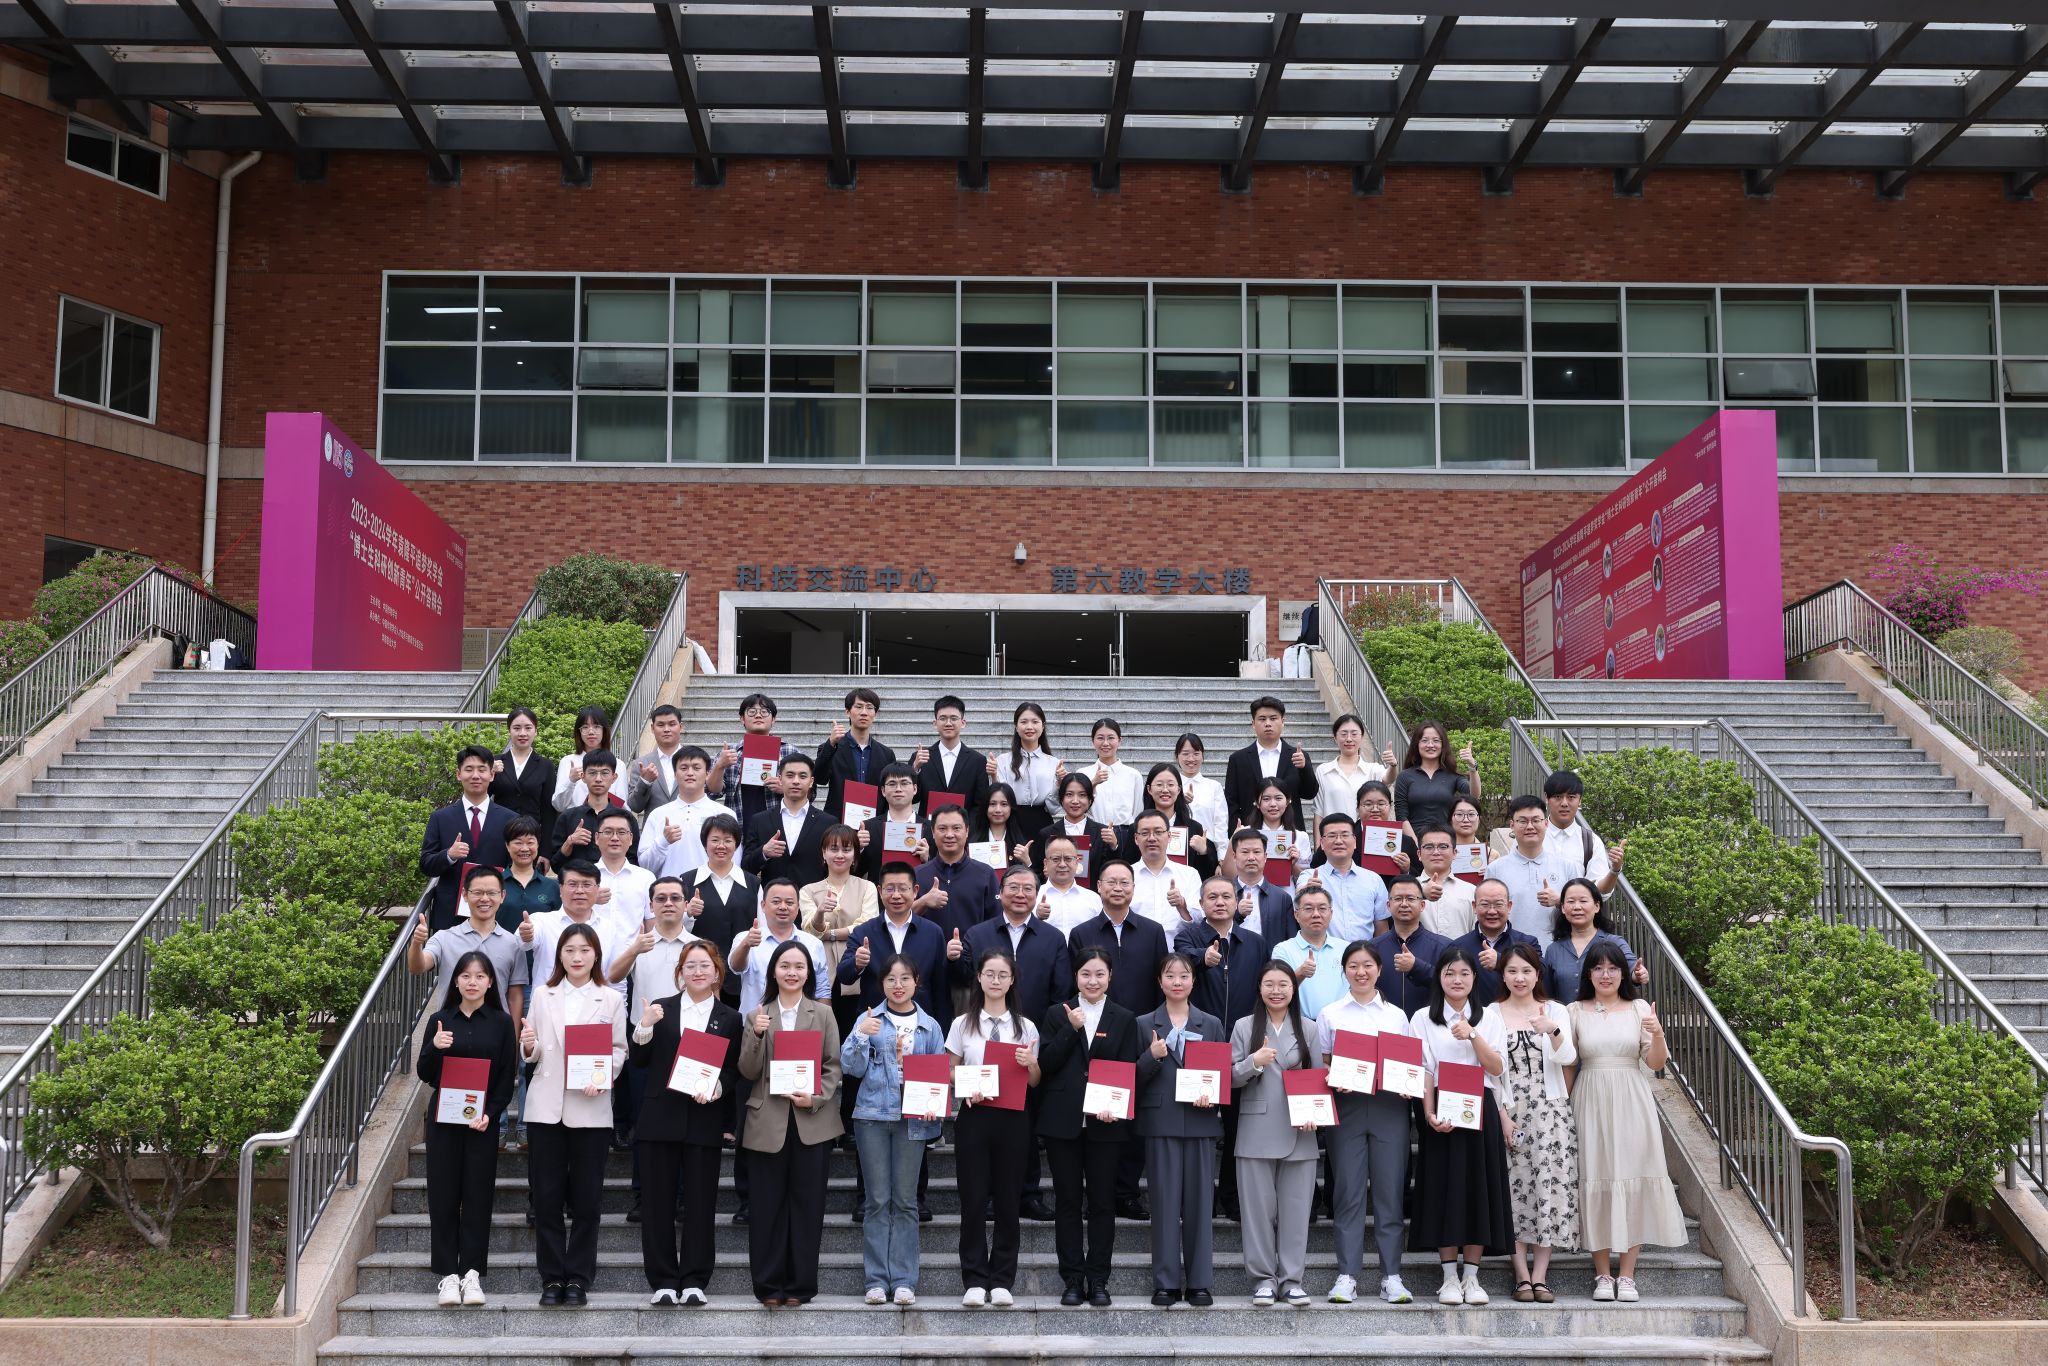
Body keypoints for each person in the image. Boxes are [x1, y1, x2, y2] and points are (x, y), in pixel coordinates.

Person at [1571, 941, 1686, 1303]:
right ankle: (1602, 1274)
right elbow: (1568, 1064)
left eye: (1613, 968)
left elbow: (1655, 1063)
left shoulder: (1638, 1008)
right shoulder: (1574, 1011)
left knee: (1632, 1176)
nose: (1605, 975)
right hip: (1589, 1097)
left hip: (1631, 1098)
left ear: (1624, 974)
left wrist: (1657, 1032)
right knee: (1596, 1176)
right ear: (1588, 974)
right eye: (1598, 968)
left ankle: (1627, 1274)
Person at [628, 939, 741, 1306]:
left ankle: (694, 1279)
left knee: (701, 1203)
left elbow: (732, 1070)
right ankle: (662, 1279)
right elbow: (639, 1061)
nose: (697, 971)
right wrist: (644, 1026)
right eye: (690, 965)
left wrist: (717, 1088)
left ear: (717, 973)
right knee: (657, 1204)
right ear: (680, 973)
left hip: (704, 1118)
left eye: (704, 965)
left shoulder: (730, 1017)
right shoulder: (661, 1009)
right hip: (659, 1117)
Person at [519, 923, 627, 1307]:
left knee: (586, 1200)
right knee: (547, 1199)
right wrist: (528, 1046)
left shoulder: (610, 998)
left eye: (584, 950)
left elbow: (619, 1050)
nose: (577, 957)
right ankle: (552, 1277)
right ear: (559, 955)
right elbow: (533, 1052)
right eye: (569, 950)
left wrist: (604, 1075)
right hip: (546, 1107)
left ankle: (579, 1278)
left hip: (590, 1108)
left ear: (596, 955)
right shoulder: (542, 994)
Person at [737, 939, 844, 1306]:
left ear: (808, 973)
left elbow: (833, 1066)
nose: (792, 972)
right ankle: (768, 1285)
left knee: (807, 1206)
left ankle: (800, 1285)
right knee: (766, 1207)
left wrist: (815, 1097)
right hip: (767, 1121)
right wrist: (756, 1034)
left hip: (812, 1121)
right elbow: (748, 1070)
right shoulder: (758, 1015)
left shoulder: (823, 1014)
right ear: (773, 973)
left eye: (799, 967)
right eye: (785, 966)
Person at [1037, 946, 1143, 1307]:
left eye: (1099, 974)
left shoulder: (1125, 1017)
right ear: (1076, 976)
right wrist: (1070, 1029)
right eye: (1085, 974)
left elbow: (1127, 1068)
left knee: (1102, 1203)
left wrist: (1117, 1105)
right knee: (1067, 1201)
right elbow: (1046, 1064)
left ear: (1110, 977)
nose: (1092, 981)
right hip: (1062, 1121)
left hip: (1106, 1123)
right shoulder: (1058, 1013)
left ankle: (1098, 1279)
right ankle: (1071, 1278)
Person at [841, 953, 947, 1305]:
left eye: (904, 978)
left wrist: (934, 1107)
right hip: (872, 1116)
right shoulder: (869, 1018)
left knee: (905, 1201)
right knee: (876, 1201)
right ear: (881, 983)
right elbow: (850, 1067)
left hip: (912, 1120)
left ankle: (903, 1280)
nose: (897, 985)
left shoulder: (930, 1026)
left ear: (917, 981)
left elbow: (937, 1075)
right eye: (890, 979)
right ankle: (875, 1280)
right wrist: (860, 1035)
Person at [1409, 947, 1512, 1307]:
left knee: (1477, 1190)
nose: (1457, 980)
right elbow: (1423, 1069)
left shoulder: (1490, 1017)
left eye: (1464, 973)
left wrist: (1472, 1035)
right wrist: (1428, 1114)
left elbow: (1497, 1068)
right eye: (1450, 973)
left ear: (1474, 978)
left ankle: (1472, 1276)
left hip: (1480, 1107)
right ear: (1439, 977)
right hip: (1442, 1109)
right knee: (1444, 1190)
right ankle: (1449, 1277)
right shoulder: (1423, 1017)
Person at [1315, 941, 1416, 1306]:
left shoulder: (1396, 1015)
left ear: (1379, 970)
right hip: (1348, 1106)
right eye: (1353, 966)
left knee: (1390, 1192)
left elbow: (1407, 1062)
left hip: (1390, 1106)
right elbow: (1323, 1061)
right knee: (1348, 1191)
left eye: (1367, 965)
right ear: (1344, 971)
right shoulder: (1330, 1014)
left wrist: (1408, 1083)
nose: (1361, 972)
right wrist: (1332, 1076)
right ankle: (1347, 1275)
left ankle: (1392, 1276)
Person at [418, 950, 519, 1308]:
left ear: (490, 982)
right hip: (444, 1121)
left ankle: (472, 1273)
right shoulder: (440, 1020)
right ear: (456, 981)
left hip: (481, 1123)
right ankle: (448, 1275)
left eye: (479, 976)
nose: (472, 982)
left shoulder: (502, 1023)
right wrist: (434, 1048)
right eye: (465, 975)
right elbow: (425, 1074)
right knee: (443, 1196)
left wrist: (491, 1113)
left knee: (478, 1196)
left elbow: (506, 1075)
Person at [947, 949, 1044, 1307]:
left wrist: (1031, 1062)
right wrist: (966, 1083)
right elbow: (948, 1070)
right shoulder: (962, 1024)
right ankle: (974, 1278)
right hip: (974, 1115)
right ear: (979, 977)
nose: (996, 980)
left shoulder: (1025, 1026)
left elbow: (1035, 1081)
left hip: (1013, 1118)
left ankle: (1002, 1278)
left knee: (1007, 1199)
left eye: (1003, 974)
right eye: (989, 973)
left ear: (1012, 979)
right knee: (973, 1199)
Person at [1486, 942, 1578, 1305]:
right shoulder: (1491, 1013)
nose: (1519, 978)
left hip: (1551, 1111)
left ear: (1538, 974)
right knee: (1513, 1189)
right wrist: (1502, 1116)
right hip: (1510, 1109)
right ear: (1503, 975)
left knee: (1548, 1188)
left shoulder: (1555, 1010)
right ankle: (1520, 1275)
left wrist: (1552, 1030)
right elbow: (1490, 1073)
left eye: (1526, 971)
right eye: (1512, 971)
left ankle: (1540, 1275)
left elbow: (1569, 1057)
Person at [1135, 952, 1225, 1307]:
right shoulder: (1144, 1023)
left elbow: (1220, 1076)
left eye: (1184, 975)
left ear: (1193, 981)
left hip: (1200, 1122)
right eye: (1170, 975)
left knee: (1200, 1206)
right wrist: (1151, 1056)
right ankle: (1166, 1282)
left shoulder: (1211, 1023)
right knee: (1164, 1205)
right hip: (1161, 1122)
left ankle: (1200, 1282)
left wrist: (1211, 1097)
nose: (1177, 981)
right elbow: (1132, 1077)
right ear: (1160, 982)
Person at [1230, 961, 1321, 1308]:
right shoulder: (1244, 1026)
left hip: (1300, 1130)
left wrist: (1315, 1113)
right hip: (1256, 1129)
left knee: (1296, 1212)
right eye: (1269, 984)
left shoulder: (1308, 1028)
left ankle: (1292, 1280)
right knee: (1257, 1213)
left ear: (1294, 989)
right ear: (1259, 988)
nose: (1276, 990)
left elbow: (1317, 1077)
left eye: (1283, 984)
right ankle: (1264, 1280)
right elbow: (1229, 1077)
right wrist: (1254, 1062)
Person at [1175, 876, 1261, 1222]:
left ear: (1237, 902)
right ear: (1201, 903)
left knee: (1238, 1128)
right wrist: (1203, 958)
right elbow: (1182, 959)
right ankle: (1198, 1198)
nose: (1220, 902)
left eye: (1226, 896)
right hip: (1201, 1044)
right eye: (1212, 897)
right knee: (1198, 1126)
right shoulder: (1189, 936)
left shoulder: (1254, 942)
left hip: (1241, 1045)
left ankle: (1232, 1196)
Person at [801, 824, 878, 1131]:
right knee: (820, 1046)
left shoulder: (867, 887)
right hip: (818, 973)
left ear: (855, 855)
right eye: (833, 848)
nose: (840, 854)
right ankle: (819, 1118)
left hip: (855, 972)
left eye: (846, 849)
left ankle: (848, 1119)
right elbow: (808, 928)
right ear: (823, 853)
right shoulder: (809, 890)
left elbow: (867, 925)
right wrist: (821, 913)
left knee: (853, 1042)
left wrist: (830, 933)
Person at [839, 864, 952, 1028]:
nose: (896, 895)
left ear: (915, 891)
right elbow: (844, 976)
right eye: (890, 889)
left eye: (903, 889)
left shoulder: (933, 933)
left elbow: (941, 989)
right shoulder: (863, 932)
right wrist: (856, 963)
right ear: (880, 891)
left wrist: (942, 1032)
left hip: (921, 1027)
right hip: (875, 1026)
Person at [410, 866, 528, 1019]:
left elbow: (515, 997)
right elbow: (417, 967)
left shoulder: (514, 944)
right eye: (477, 892)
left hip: (496, 1030)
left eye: (492, 893)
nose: (484, 899)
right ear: (465, 895)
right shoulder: (444, 937)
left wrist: (513, 1033)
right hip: (451, 1028)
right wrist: (416, 943)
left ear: (502, 896)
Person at [420, 745, 516, 932]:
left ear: (492, 775)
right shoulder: (440, 818)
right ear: (458, 774)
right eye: (469, 769)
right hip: (450, 916)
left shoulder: (510, 819)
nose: (475, 776)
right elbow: (426, 864)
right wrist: (448, 855)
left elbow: (517, 865)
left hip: (496, 913)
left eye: (482, 770)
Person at [964, 865, 1073, 1027]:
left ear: (1036, 895)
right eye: (1013, 887)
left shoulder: (1054, 938)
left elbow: (1061, 991)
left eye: (1028, 889)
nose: (1020, 894)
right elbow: (963, 979)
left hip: (1037, 1029)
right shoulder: (977, 935)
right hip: (984, 1029)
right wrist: (953, 959)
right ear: (1000, 892)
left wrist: (1050, 1031)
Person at [522, 862, 635, 1015]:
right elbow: (524, 942)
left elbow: (615, 980)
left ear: (597, 889)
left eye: (587, 885)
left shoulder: (610, 929)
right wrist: (526, 935)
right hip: (548, 1012)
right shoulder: (542, 921)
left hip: (595, 1014)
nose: (580, 891)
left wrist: (620, 1013)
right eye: (572, 884)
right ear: (561, 889)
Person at [1066, 861, 1168, 1018]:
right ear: (1099, 886)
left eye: (1124, 883)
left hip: (1143, 1022)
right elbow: (1074, 986)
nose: (1118, 888)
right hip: (1095, 1022)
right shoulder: (1081, 934)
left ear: (1133, 888)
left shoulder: (1154, 932)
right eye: (1111, 882)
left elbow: (1162, 982)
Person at [1543, 878, 1649, 1012]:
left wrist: (1637, 974)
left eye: (1583, 901)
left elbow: (1631, 968)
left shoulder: (1614, 942)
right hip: (1566, 1023)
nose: (1577, 907)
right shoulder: (1553, 950)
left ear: (1597, 906)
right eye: (1571, 901)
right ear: (1563, 908)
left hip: (1606, 1020)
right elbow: (1548, 996)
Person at [1224, 695, 1319, 832]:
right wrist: (1236, 833)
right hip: (1251, 833)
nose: (1268, 723)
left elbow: (1310, 793)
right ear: (1253, 723)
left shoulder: (1298, 756)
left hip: (1289, 831)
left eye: (1273, 718)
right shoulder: (1238, 759)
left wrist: (1304, 768)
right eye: (1262, 719)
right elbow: (1231, 802)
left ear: (1282, 722)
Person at [677, 813, 755, 976]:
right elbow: (673, 930)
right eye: (715, 840)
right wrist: (688, 913)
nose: (721, 846)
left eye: (728, 840)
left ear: (736, 844)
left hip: (743, 973)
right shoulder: (686, 881)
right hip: (698, 974)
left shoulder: (753, 883)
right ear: (705, 844)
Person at [711, 692, 801, 829]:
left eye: (764, 712)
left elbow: (810, 792)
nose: (758, 715)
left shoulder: (790, 752)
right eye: (751, 712)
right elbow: (713, 792)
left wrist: (786, 789)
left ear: (773, 719)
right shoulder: (729, 753)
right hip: (740, 828)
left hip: (779, 829)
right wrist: (719, 766)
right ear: (742, 719)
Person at [638, 746, 729, 878]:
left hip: (709, 888)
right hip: (668, 889)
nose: (690, 773)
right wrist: (663, 841)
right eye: (684, 768)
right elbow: (645, 866)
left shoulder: (723, 814)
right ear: (675, 774)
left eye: (696, 768)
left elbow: (733, 862)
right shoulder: (658, 815)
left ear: (707, 774)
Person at [743, 755, 833, 888]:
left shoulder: (828, 822)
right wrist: (763, 852)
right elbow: (746, 867)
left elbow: (835, 866)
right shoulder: (760, 820)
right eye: (790, 775)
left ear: (811, 781)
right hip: (773, 897)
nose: (796, 781)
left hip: (813, 898)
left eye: (802, 776)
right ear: (780, 779)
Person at [1451, 878, 1540, 1009]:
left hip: (1519, 1015)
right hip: (1474, 1017)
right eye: (1485, 904)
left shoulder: (1528, 942)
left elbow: (1542, 975)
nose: (1492, 911)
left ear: (1509, 906)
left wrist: (1501, 961)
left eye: (1498, 904)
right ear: (1474, 906)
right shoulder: (1458, 947)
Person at [1295, 814, 1386, 942]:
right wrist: (1307, 890)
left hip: (1364, 952)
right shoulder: (1310, 875)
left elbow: (1382, 930)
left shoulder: (1373, 880)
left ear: (1354, 841)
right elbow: (1299, 892)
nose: (1338, 841)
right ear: (1322, 843)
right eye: (1332, 836)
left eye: (1344, 835)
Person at [1369, 876, 1452, 1018]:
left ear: (1422, 905)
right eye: (1398, 899)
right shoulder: (1372, 948)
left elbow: (1453, 984)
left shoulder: (1443, 946)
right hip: (1384, 1025)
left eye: (1410, 898)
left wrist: (1416, 966)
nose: (1404, 904)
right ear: (1388, 905)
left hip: (1429, 1024)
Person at [913, 806, 1000, 941]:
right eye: (942, 829)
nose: (949, 835)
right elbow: (899, 919)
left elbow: (997, 922)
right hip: (927, 952)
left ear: (967, 831)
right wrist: (923, 902)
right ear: (933, 832)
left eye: (956, 828)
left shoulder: (985, 874)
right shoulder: (918, 874)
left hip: (973, 952)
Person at [1487, 795, 1564, 947]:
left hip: (1556, 953)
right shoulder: (1495, 869)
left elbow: (1583, 910)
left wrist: (1559, 901)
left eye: (1536, 820)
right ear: (1512, 825)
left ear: (1546, 823)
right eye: (1522, 821)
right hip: (1511, 955)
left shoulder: (1567, 866)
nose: (1530, 826)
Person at [814, 686, 898, 820]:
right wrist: (831, 744)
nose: (864, 712)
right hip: (838, 822)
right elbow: (819, 778)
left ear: (875, 714)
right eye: (858, 707)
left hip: (874, 821)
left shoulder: (886, 754)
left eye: (869, 708)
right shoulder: (831, 747)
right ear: (847, 712)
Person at [1267, 885, 1349, 1021]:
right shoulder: (1283, 950)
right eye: (1308, 909)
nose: (1316, 914)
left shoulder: (1346, 948)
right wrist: (1300, 973)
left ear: (1331, 913)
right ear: (1296, 915)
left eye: (1322, 908)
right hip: (1300, 1025)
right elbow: (1278, 990)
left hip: (1341, 1024)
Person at [549, 750, 637, 873]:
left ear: (614, 777)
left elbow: (634, 861)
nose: (598, 779)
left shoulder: (625, 818)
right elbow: (555, 865)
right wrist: (570, 842)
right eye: (592, 773)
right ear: (583, 776)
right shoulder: (568, 817)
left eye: (605, 773)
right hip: (578, 882)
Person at [1542, 770, 1624, 897]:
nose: (1564, 803)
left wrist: (1615, 870)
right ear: (1546, 798)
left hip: (1575, 910)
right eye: (1558, 797)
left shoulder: (1591, 841)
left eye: (1571, 797)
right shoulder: (1532, 835)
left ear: (1580, 800)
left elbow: (1599, 891)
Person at [1129, 764, 1219, 879]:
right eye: (1159, 785)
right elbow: (1128, 868)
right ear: (1149, 789)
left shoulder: (1194, 828)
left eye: (1171, 785)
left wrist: (1204, 852)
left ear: (1179, 789)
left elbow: (1205, 875)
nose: (1165, 790)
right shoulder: (1137, 828)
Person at [1392, 722, 1479, 838]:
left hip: (1445, 842)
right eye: (1425, 740)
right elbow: (1401, 815)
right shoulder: (1404, 776)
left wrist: (1472, 766)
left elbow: (1474, 795)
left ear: (1443, 745)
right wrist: (1416, 844)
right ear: (1417, 744)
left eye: (1436, 740)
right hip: (1414, 840)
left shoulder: (1452, 776)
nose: (1430, 745)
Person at [1127, 808, 1205, 937]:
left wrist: (1182, 906)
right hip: (1136, 946)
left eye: (1158, 832)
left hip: (1179, 947)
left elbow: (1200, 922)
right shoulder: (1126, 876)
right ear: (1136, 838)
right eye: (1145, 833)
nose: (1152, 838)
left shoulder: (1189, 874)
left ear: (1169, 836)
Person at [993, 702, 1061, 847]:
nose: (1029, 727)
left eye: (1035, 722)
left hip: (1042, 823)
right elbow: (1000, 797)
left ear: (1043, 726)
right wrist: (993, 776)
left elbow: (1054, 809)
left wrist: (1059, 783)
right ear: (1016, 727)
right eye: (1024, 722)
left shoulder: (1054, 763)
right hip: (1011, 822)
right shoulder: (1003, 761)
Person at [914, 693, 993, 817]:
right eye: (943, 718)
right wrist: (915, 769)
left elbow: (980, 804)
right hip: (928, 827)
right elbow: (912, 798)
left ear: (963, 723)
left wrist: (966, 826)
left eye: (954, 718)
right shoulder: (920, 757)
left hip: (963, 827)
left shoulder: (977, 761)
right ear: (935, 723)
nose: (948, 723)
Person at [1035, 773, 1120, 887]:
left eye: (1082, 795)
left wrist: (1114, 846)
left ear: (1090, 800)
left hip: (1092, 894)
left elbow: (1112, 871)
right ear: (1061, 799)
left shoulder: (1102, 832)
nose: (1075, 801)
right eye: (1069, 795)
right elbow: (1037, 873)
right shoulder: (1046, 834)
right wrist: (1045, 875)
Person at [855, 762, 929, 882]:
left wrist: (927, 860)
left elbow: (942, 872)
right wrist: (858, 849)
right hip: (879, 893)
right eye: (892, 784)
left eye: (904, 783)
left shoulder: (930, 828)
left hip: (918, 893)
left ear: (915, 789)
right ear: (883, 791)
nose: (898, 789)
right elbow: (856, 873)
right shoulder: (869, 828)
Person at [1228, 827, 1295, 950]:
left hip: (1270, 960)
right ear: (1234, 856)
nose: (1251, 857)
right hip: (1232, 959)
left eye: (1257, 852)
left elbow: (1291, 940)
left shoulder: (1282, 898)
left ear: (1265, 857)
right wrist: (1237, 914)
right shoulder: (1223, 894)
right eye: (1245, 852)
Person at [491, 706, 555, 829]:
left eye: (528, 728)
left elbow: (548, 810)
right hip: (500, 830)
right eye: (516, 728)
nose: (522, 733)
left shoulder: (545, 766)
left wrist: (546, 840)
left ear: (536, 731)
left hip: (532, 834)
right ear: (509, 731)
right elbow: (481, 797)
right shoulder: (495, 761)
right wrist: (489, 773)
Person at [497, 816, 560, 941]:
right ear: (507, 846)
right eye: (518, 843)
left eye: (530, 842)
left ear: (538, 845)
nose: (525, 848)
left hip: (540, 953)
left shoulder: (552, 887)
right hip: (501, 951)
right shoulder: (495, 883)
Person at [1312, 713, 1381, 827]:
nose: (1349, 739)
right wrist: (1318, 838)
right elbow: (1319, 812)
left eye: (1354, 734)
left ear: (1362, 737)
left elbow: (1388, 779)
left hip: (1365, 835)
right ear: (1335, 738)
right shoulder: (1323, 770)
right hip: (1333, 835)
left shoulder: (1373, 769)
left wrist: (1393, 766)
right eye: (1344, 734)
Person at [593, 809, 656, 933]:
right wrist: (588, 899)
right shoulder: (583, 877)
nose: (615, 838)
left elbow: (651, 924)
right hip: (592, 946)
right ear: (597, 837)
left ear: (630, 838)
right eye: (608, 832)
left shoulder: (645, 878)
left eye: (621, 832)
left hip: (635, 946)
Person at [1080, 718, 1144, 829]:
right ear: (1093, 741)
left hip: (1125, 831)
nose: (1105, 743)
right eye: (1100, 738)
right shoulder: (1083, 773)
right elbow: (1079, 807)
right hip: (1094, 830)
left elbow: (1138, 811)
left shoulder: (1133, 775)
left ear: (1119, 740)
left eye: (1111, 738)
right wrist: (1092, 783)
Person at [1354, 781, 1418, 891]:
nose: (1375, 809)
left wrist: (1406, 870)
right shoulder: (1346, 837)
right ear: (1358, 807)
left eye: (1381, 804)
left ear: (1390, 806)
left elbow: (1420, 874)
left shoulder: (1406, 842)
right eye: (1368, 804)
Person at [1416, 824, 1477, 939]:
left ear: (1454, 853)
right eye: (1429, 847)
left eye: (1443, 847)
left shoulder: (1471, 891)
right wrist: (1420, 894)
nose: (1436, 852)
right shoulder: (1407, 889)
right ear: (1419, 854)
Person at [626, 703, 688, 816]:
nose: (666, 729)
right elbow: (635, 806)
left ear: (681, 727)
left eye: (672, 724)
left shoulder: (695, 761)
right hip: (655, 826)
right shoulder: (641, 764)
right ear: (652, 728)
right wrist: (645, 782)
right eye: (660, 725)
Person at [551, 706, 616, 814]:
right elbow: (559, 806)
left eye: (596, 726)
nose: (591, 732)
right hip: (575, 822)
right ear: (579, 732)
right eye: (585, 727)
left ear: (604, 730)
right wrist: (571, 781)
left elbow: (623, 805)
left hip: (608, 822)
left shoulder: (618, 764)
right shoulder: (568, 762)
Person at [1035, 835, 1103, 935]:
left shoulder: (1093, 899)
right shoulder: (1033, 897)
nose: (1062, 864)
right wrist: (1035, 918)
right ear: (1046, 863)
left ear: (1077, 862)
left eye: (1068, 859)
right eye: (1056, 859)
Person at [1172, 733, 1231, 846]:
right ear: (1177, 756)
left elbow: (1220, 825)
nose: (1191, 759)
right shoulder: (1169, 787)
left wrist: (1221, 853)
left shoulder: (1214, 787)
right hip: (1176, 846)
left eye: (1196, 753)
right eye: (1185, 754)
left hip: (1207, 848)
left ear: (1203, 756)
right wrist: (1179, 802)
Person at [1251, 779, 1310, 888]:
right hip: (1252, 892)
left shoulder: (1300, 836)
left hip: (1286, 894)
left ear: (1287, 801)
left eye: (1278, 798)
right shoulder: (1246, 833)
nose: (1273, 804)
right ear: (1257, 803)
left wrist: (1292, 864)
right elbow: (1231, 873)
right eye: (1266, 799)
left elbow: (1305, 879)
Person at [974, 784, 1034, 869]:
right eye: (992, 804)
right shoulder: (972, 841)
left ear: (1011, 808)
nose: (998, 810)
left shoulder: (1022, 844)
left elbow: (1034, 876)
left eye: (1004, 804)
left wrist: (1027, 862)